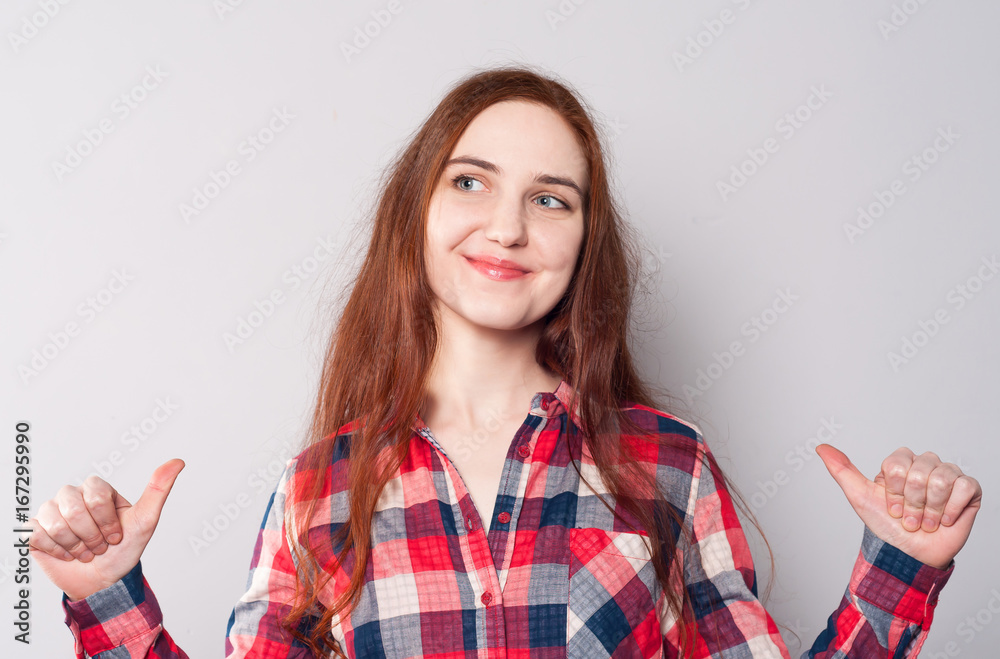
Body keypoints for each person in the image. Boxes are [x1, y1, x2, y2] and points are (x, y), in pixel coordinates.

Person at [28, 65, 981, 659]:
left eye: (552, 198)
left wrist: (902, 566)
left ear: (583, 244)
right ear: (419, 213)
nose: (509, 226)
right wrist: (107, 596)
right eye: (472, 180)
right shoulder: (320, 488)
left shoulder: (668, 467)